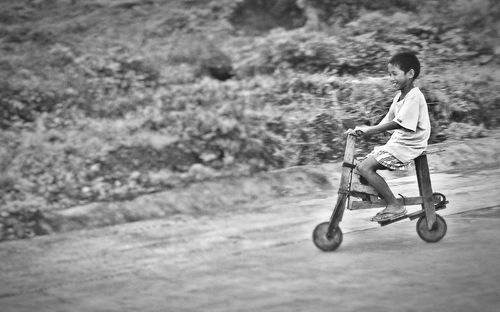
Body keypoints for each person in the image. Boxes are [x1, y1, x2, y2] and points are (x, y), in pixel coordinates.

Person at [347, 52, 430, 222]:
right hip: (398, 143)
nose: (391, 78)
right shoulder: (399, 97)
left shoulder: (414, 96)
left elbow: (399, 123)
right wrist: (364, 130)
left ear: (410, 74)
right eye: (389, 74)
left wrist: (370, 130)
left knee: (364, 168)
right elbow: (386, 121)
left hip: (409, 146)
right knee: (359, 167)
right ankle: (377, 196)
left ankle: (394, 205)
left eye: (395, 74)